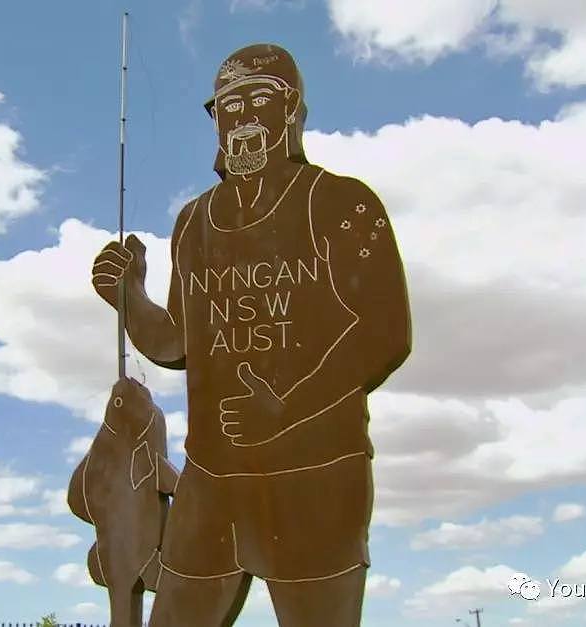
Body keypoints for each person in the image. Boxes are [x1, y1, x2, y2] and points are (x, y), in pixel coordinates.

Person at [92, 43, 411, 627]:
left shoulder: (341, 203)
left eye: (258, 99)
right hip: (211, 482)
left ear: (291, 109)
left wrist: (288, 408)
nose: (241, 118)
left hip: (316, 476)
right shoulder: (193, 221)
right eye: (226, 106)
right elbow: (177, 343)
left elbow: (384, 333)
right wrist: (128, 296)